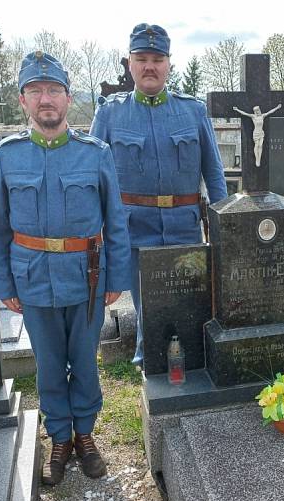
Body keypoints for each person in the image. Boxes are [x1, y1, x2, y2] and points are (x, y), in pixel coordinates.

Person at [0, 51, 130, 485]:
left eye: (53, 91)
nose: (45, 99)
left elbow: (115, 221)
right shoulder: (5, 157)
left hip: (86, 279)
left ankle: (85, 435)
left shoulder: (95, 154)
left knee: (84, 361)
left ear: (67, 99)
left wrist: (116, 278)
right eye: (36, 91)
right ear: (23, 101)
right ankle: (59, 438)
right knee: (48, 366)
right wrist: (2, 282)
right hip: (31, 279)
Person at [90, 23, 227, 365]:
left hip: (184, 228)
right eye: (142, 58)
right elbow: (92, 178)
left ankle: (193, 363)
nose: (149, 66)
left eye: (157, 59)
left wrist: (224, 226)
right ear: (130, 63)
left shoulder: (193, 111)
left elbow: (213, 172)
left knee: (191, 304)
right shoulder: (110, 113)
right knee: (147, 307)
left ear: (168, 63)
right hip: (136, 232)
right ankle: (150, 365)